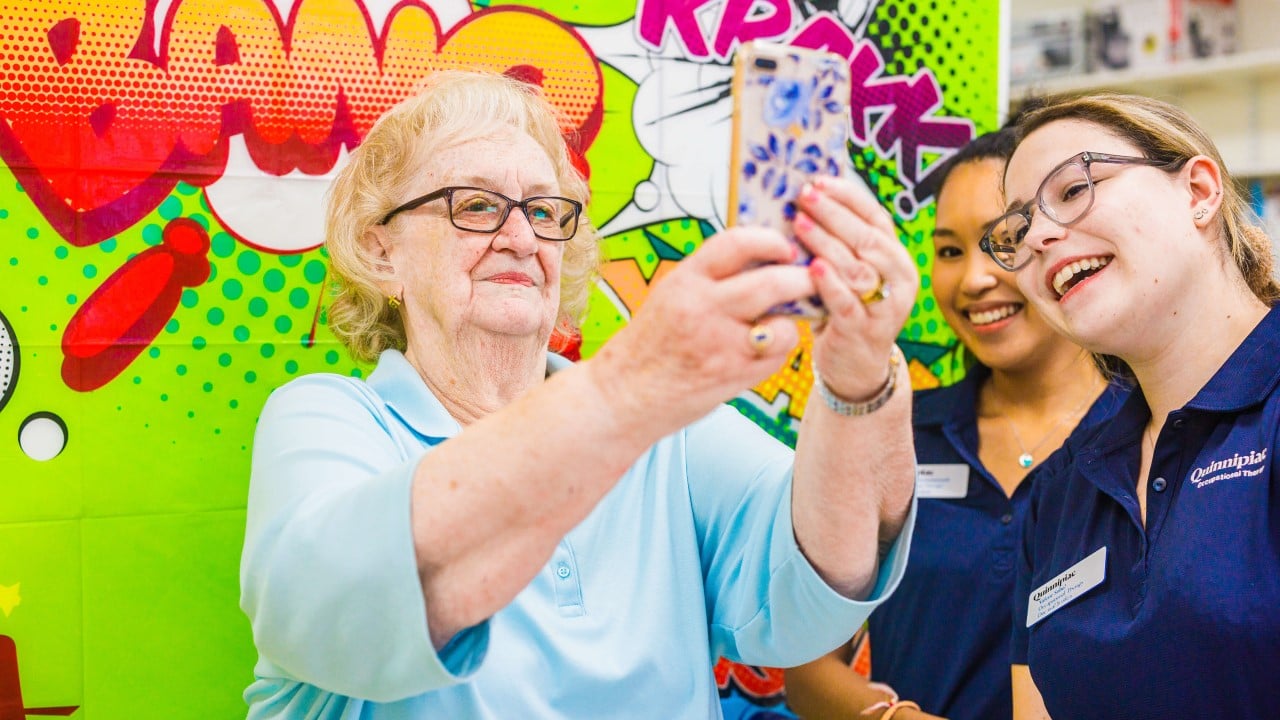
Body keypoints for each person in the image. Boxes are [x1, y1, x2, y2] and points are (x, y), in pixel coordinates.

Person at [238, 69, 921, 718]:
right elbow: (335, 614)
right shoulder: (331, 417)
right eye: (474, 205)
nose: (520, 235)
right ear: (382, 252)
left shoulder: (669, 433)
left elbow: (809, 606)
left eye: (544, 209)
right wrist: (628, 389)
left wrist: (857, 378)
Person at [784, 124, 1126, 720]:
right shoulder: (897, 433)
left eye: (1003, 242)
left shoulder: (1151, 433)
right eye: (948, 251)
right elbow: (808, 669)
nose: (973, 279)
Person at [986, 93, 1280, 719]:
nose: (1037, 235)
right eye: (1015, 230)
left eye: (1072, 188)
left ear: (1199, 191)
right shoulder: (1064, 489)